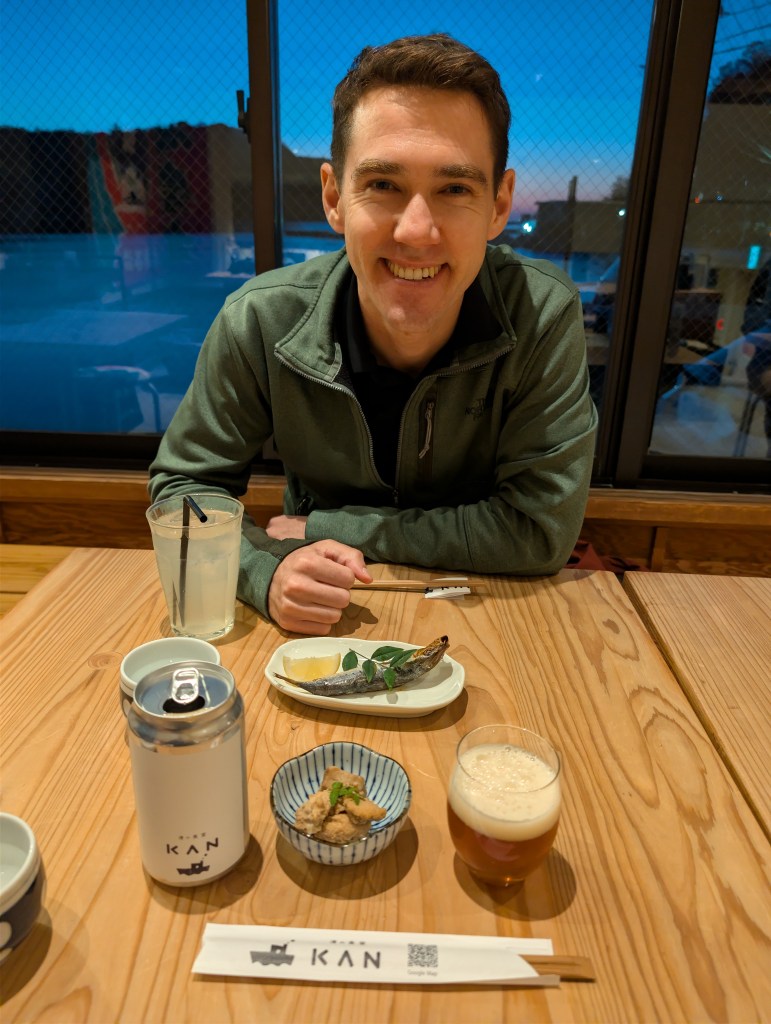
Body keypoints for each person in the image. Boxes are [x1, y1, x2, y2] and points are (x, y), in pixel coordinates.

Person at [148, 33, 598, 635]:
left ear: (499, 205)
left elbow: (538, 531)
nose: (416, 231)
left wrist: (327, 527)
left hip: (490, 616)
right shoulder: (259, 320)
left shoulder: (541, 313)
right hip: (320, 620)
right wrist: (264, 571)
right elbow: (186, 488)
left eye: (455, 189)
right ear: (335, 197)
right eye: (383, 184)